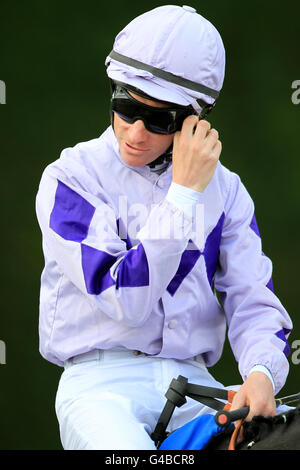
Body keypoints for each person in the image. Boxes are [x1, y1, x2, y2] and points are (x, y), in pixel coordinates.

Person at [35, 5, 293, 450]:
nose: (135, 132)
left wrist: (261, 374)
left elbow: (253, 300)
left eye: (158, 120)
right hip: (101, 390)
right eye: (125, 106)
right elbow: (127, 300)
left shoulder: (229, 191)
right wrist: (184, 195)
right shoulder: (69, 178)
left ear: (195, 119)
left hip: (198, 386)